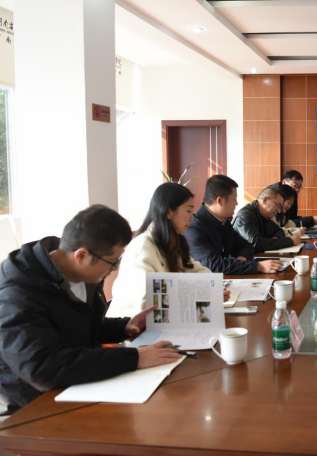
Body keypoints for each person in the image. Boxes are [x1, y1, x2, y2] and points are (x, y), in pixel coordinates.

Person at [0, 205, 181, 415]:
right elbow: (42, 368)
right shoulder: (17, 294)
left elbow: (79, 326)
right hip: (33, 400)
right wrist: (134, 358)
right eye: (112, 263)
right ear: (82, 255)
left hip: (78, 380)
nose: (113, 270)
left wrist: (124, 326)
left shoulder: (78, 272)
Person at [108, 183, 228, 318]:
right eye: (188, 211)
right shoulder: (142, 247)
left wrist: (212, 289)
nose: (192, 217)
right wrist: (203, 294)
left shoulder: (172, 242)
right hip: (130, 325)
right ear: (169, 212)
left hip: (162, 320)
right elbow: (148, 301)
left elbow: (197, 270)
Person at [183, 175, 282, 275]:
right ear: (220, 201)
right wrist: (258, 267)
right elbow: (213, 265)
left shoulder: (223, 221)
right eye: (234, 199)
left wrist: (242, 259)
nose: (237, 203)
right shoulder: (194, 229)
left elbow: (246, 245)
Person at [233, 187, 301, 253]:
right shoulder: (245, 216)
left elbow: (279, 230)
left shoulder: (264, 215)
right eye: (278, 205)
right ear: (265, 200)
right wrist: (289, 241)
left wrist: (276, 238)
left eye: (280, 207)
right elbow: (256, 243)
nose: (279, 211)